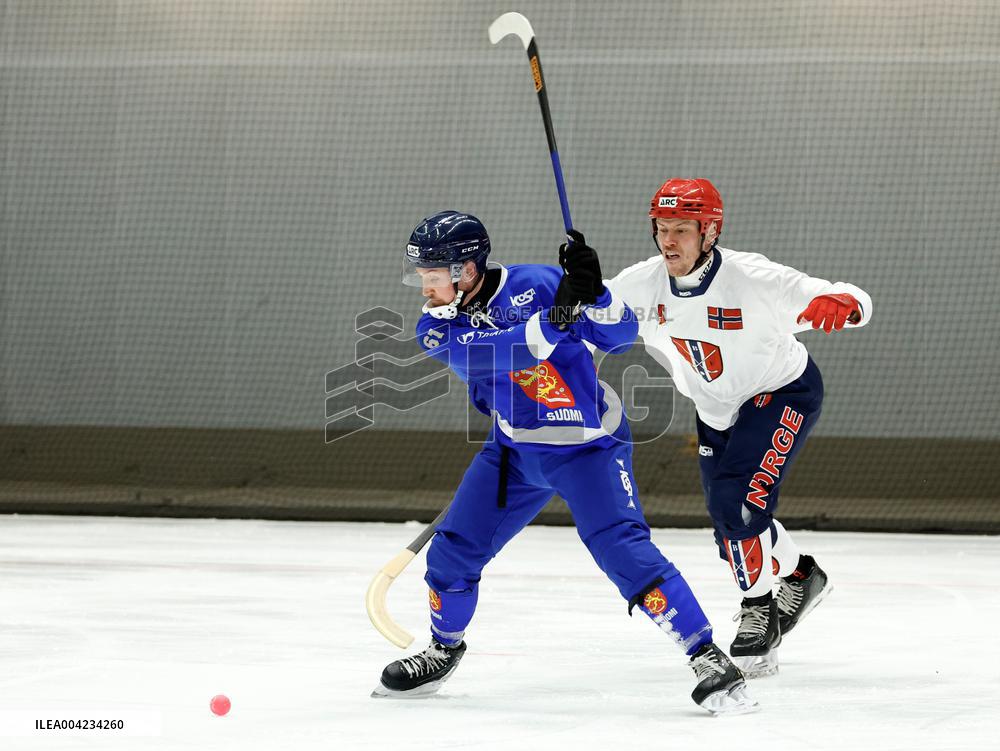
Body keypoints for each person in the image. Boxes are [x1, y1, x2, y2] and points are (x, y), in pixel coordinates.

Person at [372, 210, 758, 715]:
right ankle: (443, 648)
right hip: (512, 451)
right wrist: (555, 319)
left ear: (466, 270)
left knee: (623, 551)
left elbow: (618, 337)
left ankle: (706, 657)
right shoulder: (434, 327)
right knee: (451, 554)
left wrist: (594, 292)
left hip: (587, 449)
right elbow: (502, 353)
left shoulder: (543, 282)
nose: (423, 289)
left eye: (431, 276)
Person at [604, 178, 873, 678]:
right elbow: (585, 316)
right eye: (662, 229)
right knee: (732, 524)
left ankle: (759, 612)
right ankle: (802, 575)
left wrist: (845, 304)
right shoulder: (642, 284)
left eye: (682, 230)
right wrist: (575, 290)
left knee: (736, 504)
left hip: (781, 393)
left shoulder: (754, 278)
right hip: (716, 411)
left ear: (710, 232)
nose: (669, 241)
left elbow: (841, 294)